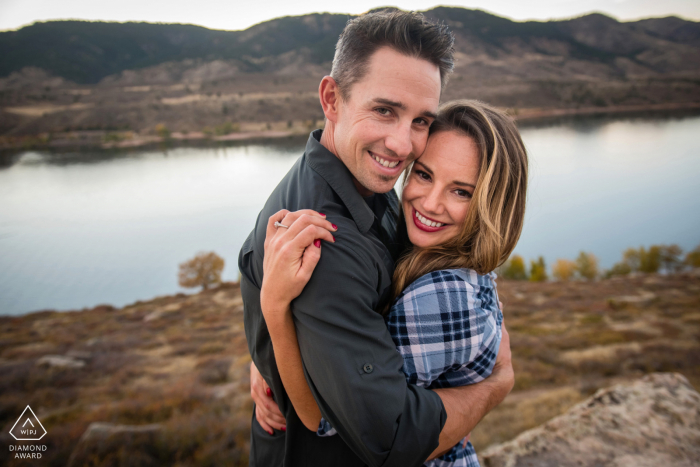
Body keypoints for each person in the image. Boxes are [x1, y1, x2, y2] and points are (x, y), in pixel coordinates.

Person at [239, 10, 515, 467]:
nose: (403, 146)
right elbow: (392, 439)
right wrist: (495, 385)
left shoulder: (363, 179)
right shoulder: (324, 242)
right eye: (384, 110)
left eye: (421, 120)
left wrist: (268, 339)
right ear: (332, 98)